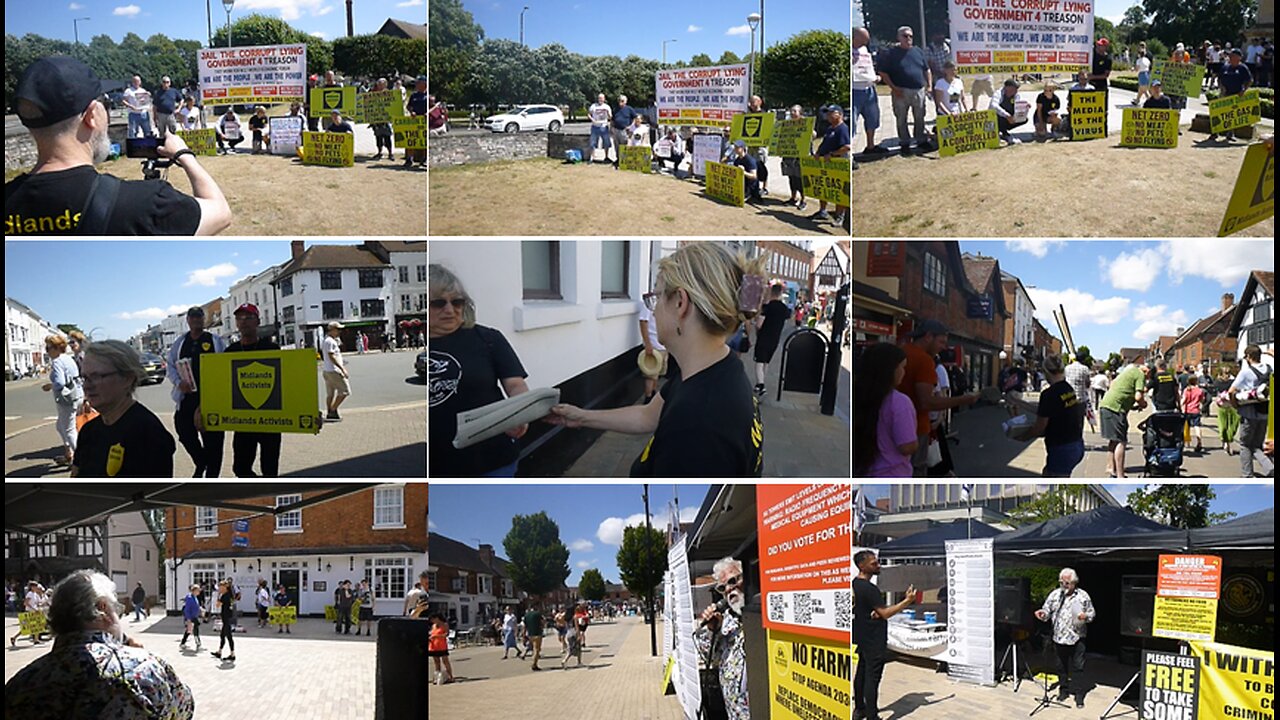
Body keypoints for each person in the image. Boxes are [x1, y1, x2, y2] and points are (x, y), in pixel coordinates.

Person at [548, 244, 766, 477]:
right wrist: (581, 417)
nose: (653, 311)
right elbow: (647, 415)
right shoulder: (712, 368)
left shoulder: (697, 428)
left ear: (680, 303)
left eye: (657, 296)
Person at [6, 57, 231, 236]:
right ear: (92, 115)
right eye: (104, 104)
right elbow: (220, 213)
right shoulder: (145, 203)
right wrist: (184, 154)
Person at [3, 570, 194, 720]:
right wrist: (139, 656)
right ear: (102, 608)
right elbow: (185, 708)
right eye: (116, 609)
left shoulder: (21, 683)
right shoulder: (145, 668)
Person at [428, 264, 533, 477]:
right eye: (438, 303)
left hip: (490, 461)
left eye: (457, 302)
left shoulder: (488, 339)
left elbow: (515, 384)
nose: (449, 309)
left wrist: (519, 414)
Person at [72, 340, 176, 477]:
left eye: (96, 376)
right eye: (85, 378)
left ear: (127, 378)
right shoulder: (88, 431)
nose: (87, 386)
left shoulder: (149, 434)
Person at [897, 320, 979, 476]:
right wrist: (963, 400)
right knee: (916, 470)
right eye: (941, 342)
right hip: (916, 427)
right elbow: (926, 402)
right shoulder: (924, 360)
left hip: (894, 425)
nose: (944, 347)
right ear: (928, 337)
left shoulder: (901, 352)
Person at [218, 304, 291, 477]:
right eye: (240, 318)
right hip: (243, 421)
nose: (244, 322)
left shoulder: (271, 349)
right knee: (240, 469)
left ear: (258, 321)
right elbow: (221, 385)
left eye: (249, 318)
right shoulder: (230, 352)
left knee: (270, 470)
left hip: (270, 421)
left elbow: (288, 382)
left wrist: (308, 411)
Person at [853, 550, 917, 720]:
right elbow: (885, 613)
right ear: (862, 566)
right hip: (873, 638)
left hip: (863, 636)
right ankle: (872, 716)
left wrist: (874, 612)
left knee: (862, 673)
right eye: (873, 563)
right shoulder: (869, 588)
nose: (878, 566)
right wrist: (907, 601)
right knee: (872, 678)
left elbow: (867, 609)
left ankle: (859, 709)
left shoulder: (855, 584)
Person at [167, 306, 226, 478]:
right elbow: (170, 365)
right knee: (184, 433)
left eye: (199, 317)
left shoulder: (215, 340)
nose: (195, 320)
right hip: (187, 397)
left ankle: (211, 479)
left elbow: (224, 365)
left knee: (213, 443)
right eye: (192, 317)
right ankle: (201, 462)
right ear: (188, 320)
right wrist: (178, 382)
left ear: (203, 319)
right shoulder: (180, 342)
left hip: (211, 399)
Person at [694, 557, 751, 720]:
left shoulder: (761, 614)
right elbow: (708, 656)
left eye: (733, 581)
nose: (728, 589)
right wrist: (712, 630)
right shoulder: (725, 620)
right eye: (722, 587)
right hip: (734, 713)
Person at [1034, 568, 1096, 709]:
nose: (1064, 585)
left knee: (1078, 667)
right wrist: (1042, 614)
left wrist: (1085, 616)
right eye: (1061, 582)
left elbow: (1092, 614)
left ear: (1074, 582)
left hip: (1077, 637)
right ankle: (1063, 691)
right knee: (1061, 666)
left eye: (1067, 583)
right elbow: (1047, 611)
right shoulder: (1055, 595)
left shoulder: (1083, 596)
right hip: (1059, 637)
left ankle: (1079, 695)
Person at [854, 342, 917, 478]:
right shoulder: (899, 402)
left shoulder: (858, 395)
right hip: (892, 474)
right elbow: (906, 446)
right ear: (890, 369)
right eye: (902, 367)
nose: (904, 372)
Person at [1018, 354, 1086, 477]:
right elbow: (1055, 411)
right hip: (1076, 444)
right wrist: (1022, 404)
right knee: (1050, 472)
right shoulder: (1068, 389)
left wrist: (1023, 436)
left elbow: (1040, 427)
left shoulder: (1048, 394)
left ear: (1046, 372)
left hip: (1061, 448)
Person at [877, 25, 933, 155]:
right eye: (905, 36)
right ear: (898, 37)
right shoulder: (891, 53)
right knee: (901, 118)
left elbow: (927, 69)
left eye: (910, 36)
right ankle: (904, 142)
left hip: (918, 90)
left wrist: (929, 85)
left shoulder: (918, 51)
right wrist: (894, 88)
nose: (908, 38)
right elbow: (883, 73)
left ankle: (921, 140)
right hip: (900, 91)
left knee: (920, 117)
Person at [1098, 362, 1151, 478]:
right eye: (1148, 377)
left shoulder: (1128, 371)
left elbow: (1120, 390)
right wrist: (1144, 404)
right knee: (1121, 441)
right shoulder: (1140, 374)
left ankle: (1110, 467)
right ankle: (1120, 475)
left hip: (1106, 406)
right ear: (1147, 371)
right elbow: (1138, 397)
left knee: (1113, 440)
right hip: (1116, 409)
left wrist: (1133, 406)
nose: (1147, 379)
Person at [1229, 344, 1273, 477]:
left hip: (1248, 414)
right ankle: (1269, 467)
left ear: (1248, 356)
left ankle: (1247, 475)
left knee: (1245, 445)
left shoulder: (1246, 372)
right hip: (1264, 413)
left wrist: (1235, 404)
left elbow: (1231, 391)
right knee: (1257, 445)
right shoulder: (1269, 369)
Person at [40, 335, 82, 466]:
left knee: (69, 431)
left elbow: (59, 383)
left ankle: (81, 460)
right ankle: (70, 453)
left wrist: (50, 386)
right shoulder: (69, 359)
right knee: (60, 426)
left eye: (48, 348)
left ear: (57, 348)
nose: (47, 351)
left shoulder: (57, 361)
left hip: (67, 399)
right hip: (78, 394)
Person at [811, 106, 850, 225]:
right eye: (827, 114)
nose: (828, 116)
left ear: (839, 114)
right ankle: (822, 211)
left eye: (831, 113)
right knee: (824, 186)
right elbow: (824, 143)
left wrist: (832, 154)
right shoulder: (829, 128)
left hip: (838, 163)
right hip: (826, 164)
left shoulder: (842, 128)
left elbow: (847, 147)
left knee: (839, 190)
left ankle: (839, 216)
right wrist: (818, 153)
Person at [751, 284, 790, 396]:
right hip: (775, 339)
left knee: (759, 362)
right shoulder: (784, 309)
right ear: (780, 293)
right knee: (766, 362)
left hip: (764, 337)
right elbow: (788, 317)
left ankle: (761, 385)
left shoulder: (767, 307)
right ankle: (761, 382)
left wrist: (756, 329)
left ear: (771, 292)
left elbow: (759, 324)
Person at [852, 28, 885, 155]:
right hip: (854, 90)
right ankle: (850, 153)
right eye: (863, 39)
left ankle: (870, 146)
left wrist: (874, 77)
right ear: (855, 37)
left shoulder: (865, 50)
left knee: (873, 118)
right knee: (853, 122)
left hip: (869, 89)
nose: (866, 42)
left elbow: (867, 67)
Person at [1211, 49, 1253, 142]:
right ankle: (1215, 133)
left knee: (1232, 115)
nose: (1230, 57)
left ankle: (1230, 134)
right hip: (1224, 93)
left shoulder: (1243, 68)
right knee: (1218, 113)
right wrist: (1221, 87)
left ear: (1239, 57)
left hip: (1236, 94)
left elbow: (1249, 80)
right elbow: (1219, 79)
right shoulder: (1225, 67)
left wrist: (1244, 90)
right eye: (1230, 56)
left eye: (1233, 56)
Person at [638, 288, 670, 402]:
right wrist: (648, 344)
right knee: (650, 375)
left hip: (663, 346)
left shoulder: (663, 302)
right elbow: (643, 321)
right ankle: (647, 398)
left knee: (658, 373)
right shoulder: (648, 302)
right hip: (653, 346)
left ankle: (652, 395)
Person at [320, 319, 353, 423]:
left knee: (330, 393)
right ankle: (333, 410)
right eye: (338, 329)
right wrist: (342, 368)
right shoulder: (330, 341)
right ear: (332, 330)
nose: (339, 331)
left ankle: (330, 412)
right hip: (334, 370)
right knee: (345, 391)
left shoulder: (327, 340)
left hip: (327, 370)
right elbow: (331, 356)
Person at [779, 105, 808, 208]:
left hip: (800, 156)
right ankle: (793, 197)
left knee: (800, 179)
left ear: (800, 113)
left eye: (795, 111)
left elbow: (813, 135)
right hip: (789, 155)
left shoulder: (806, 123)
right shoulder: (787, 124)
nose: (792, 113)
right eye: (791, 111)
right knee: (791, 178)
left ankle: (803, 200)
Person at [1065, 353, 1096, 434]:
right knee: (1079, 422)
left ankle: (1068, 436)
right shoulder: (1085, 369)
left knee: (1068, 420)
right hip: (1080, 398)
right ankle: (1078, 437)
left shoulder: (1067, 368)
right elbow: (1087, 383)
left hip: (1068, 397)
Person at [990, 79, 1028, 145]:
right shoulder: (998, 93)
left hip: (1008, 118)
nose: (1016, 90)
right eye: (1014, 88)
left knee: (1024, 119)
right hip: (995, 118)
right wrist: (1007, 115)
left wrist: (1025, 108)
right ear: (1007, 87)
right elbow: (993, 106)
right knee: (999, 117)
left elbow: (1017, 107)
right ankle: (1000, 133)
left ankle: (1004, 132)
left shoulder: (1016, 95)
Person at [746, 95, 771, 194]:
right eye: (750, 101)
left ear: (759, 102)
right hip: (750, 146)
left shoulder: (765, 115)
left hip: (760, 146)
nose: (751, 103)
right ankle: (754, 187)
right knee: (751, 166)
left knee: (761, 166)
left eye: (754, 101)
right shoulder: (748, 115)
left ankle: (765, 187)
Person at [405, 75, 429, 168]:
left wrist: (427, 113)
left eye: (419, 83)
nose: (417, 85)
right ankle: (409, 159)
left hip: (424, 121)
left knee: (424, 140)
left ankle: (424, 159)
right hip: (414, 121)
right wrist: (412, 112)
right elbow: (408, 106)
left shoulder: (428, 96)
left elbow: (432, 107)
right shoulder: (413, 95)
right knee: (411, 140)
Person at [369, 78, 396, 160]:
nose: (380, 86)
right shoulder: (372, 93)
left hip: (386, 119)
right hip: (376, 119)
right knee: (378, 137)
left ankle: (390, 153)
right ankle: (379, 152)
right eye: (379, 84)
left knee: (387, 136)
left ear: (385, 85)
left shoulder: (389, 93)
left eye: (382, 84)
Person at [210, 579, 237, 662]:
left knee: (227, 636)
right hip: (228, 617)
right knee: (225, 636)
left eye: (220, 587)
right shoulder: (230, 595)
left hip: (226, 618)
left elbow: (217, 605)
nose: (219, 589)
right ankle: (220, 652)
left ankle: (232, 654)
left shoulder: (224, 596)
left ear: (225, 587)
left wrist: (218, 596)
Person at [610, 94, 639, 168]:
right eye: (619, 100)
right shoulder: (615, 109)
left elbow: (635, 118)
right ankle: (618, 159)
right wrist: (611, 128)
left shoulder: (629, 109)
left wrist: (631, 127)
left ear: (626, 101)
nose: (620, 102)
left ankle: (625, 160)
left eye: (622, 101)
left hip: (624, 130)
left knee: (624, 146)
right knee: (617, 146)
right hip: (616, 130)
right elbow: (612, 120)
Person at [1182, 375, 1207, 453]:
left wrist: (1180, 406)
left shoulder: (1186, 390)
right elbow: (1202, 400)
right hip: (1196, 410)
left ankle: (1186, 442)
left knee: (1186, 427)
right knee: (1197, 427)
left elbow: (1184, 400)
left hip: (1187, 410)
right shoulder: (1200, 390)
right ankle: (1199, 442)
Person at [428, 614, 455, 684]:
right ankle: (438, 677)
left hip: (442, 646)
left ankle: (451, 676)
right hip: (434, 646)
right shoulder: (433, 626)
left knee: (445, 661)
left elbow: (446, 634)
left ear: (437, 618)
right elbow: (432, 633)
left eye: (433, 619)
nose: (432, 621)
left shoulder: (444, 625)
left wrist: (437, 636)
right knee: (437, 662)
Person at [587, 93, 613, 162]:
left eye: (602, 98)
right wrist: (592, 119)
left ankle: (606, 157)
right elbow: (589, 114)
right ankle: (592, 157)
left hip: (604, 126)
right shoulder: (593, 106)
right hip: (595, 126)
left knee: (606, 142)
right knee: (593, 142)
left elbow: (610, 117)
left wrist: (609, 115)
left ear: (604, 99)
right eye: (599, 98)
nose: (600, 99)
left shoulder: (607, 107)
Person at [1090, 37, 1114, 110]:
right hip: (1090, 84)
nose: (1098, 46)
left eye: (1101, 45)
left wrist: (1093, 77)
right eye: (1098, 44)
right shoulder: (1092, 55)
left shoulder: (1108, 59)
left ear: (1105, 47)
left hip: (1101, 85)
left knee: (1102, 107)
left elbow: (1106, 75)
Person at [179, 583, 203, 650]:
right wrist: (188, 619)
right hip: (191, 616)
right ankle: (197, 642)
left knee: (191, 630)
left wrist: (200, 609)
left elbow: (196, 606)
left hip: (194, 616)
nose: (199, 592)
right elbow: (187, 609)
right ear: (194, 591)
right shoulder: (190, 598)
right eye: (198, 590)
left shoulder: (195, 597)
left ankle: (185, 642)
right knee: (191, 629)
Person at [523, 603, 545, 671]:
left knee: (533, 648)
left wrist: (524, 634)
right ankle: (534, 664)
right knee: (536, 649)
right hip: (538, 633)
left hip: (530, 634)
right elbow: (543, 622)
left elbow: (525, 626)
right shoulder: (538, 614)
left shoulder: (526, 615)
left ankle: (534, 662)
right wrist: (542, 627)